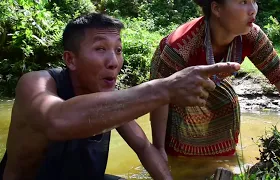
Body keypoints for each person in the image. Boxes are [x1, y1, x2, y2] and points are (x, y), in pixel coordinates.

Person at [0, 13, 241, 180]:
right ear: (70, 59)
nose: (113, 62)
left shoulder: (112, 101)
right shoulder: (35, 83)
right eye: (100, 49)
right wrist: (164, 88)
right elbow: (57, 121)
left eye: (118, 50)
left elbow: (144, 148)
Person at [150, 0, 280, 161]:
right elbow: (160, 96)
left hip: (212, 82)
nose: (253, 9)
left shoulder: (252, 36)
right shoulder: (181, 45)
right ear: (216, 8)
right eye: (243, 2)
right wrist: (158, 149)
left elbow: (279, 74)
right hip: (170, 84)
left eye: (254, 1)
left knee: (227, 103)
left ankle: (219, 163)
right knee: (176, 135)